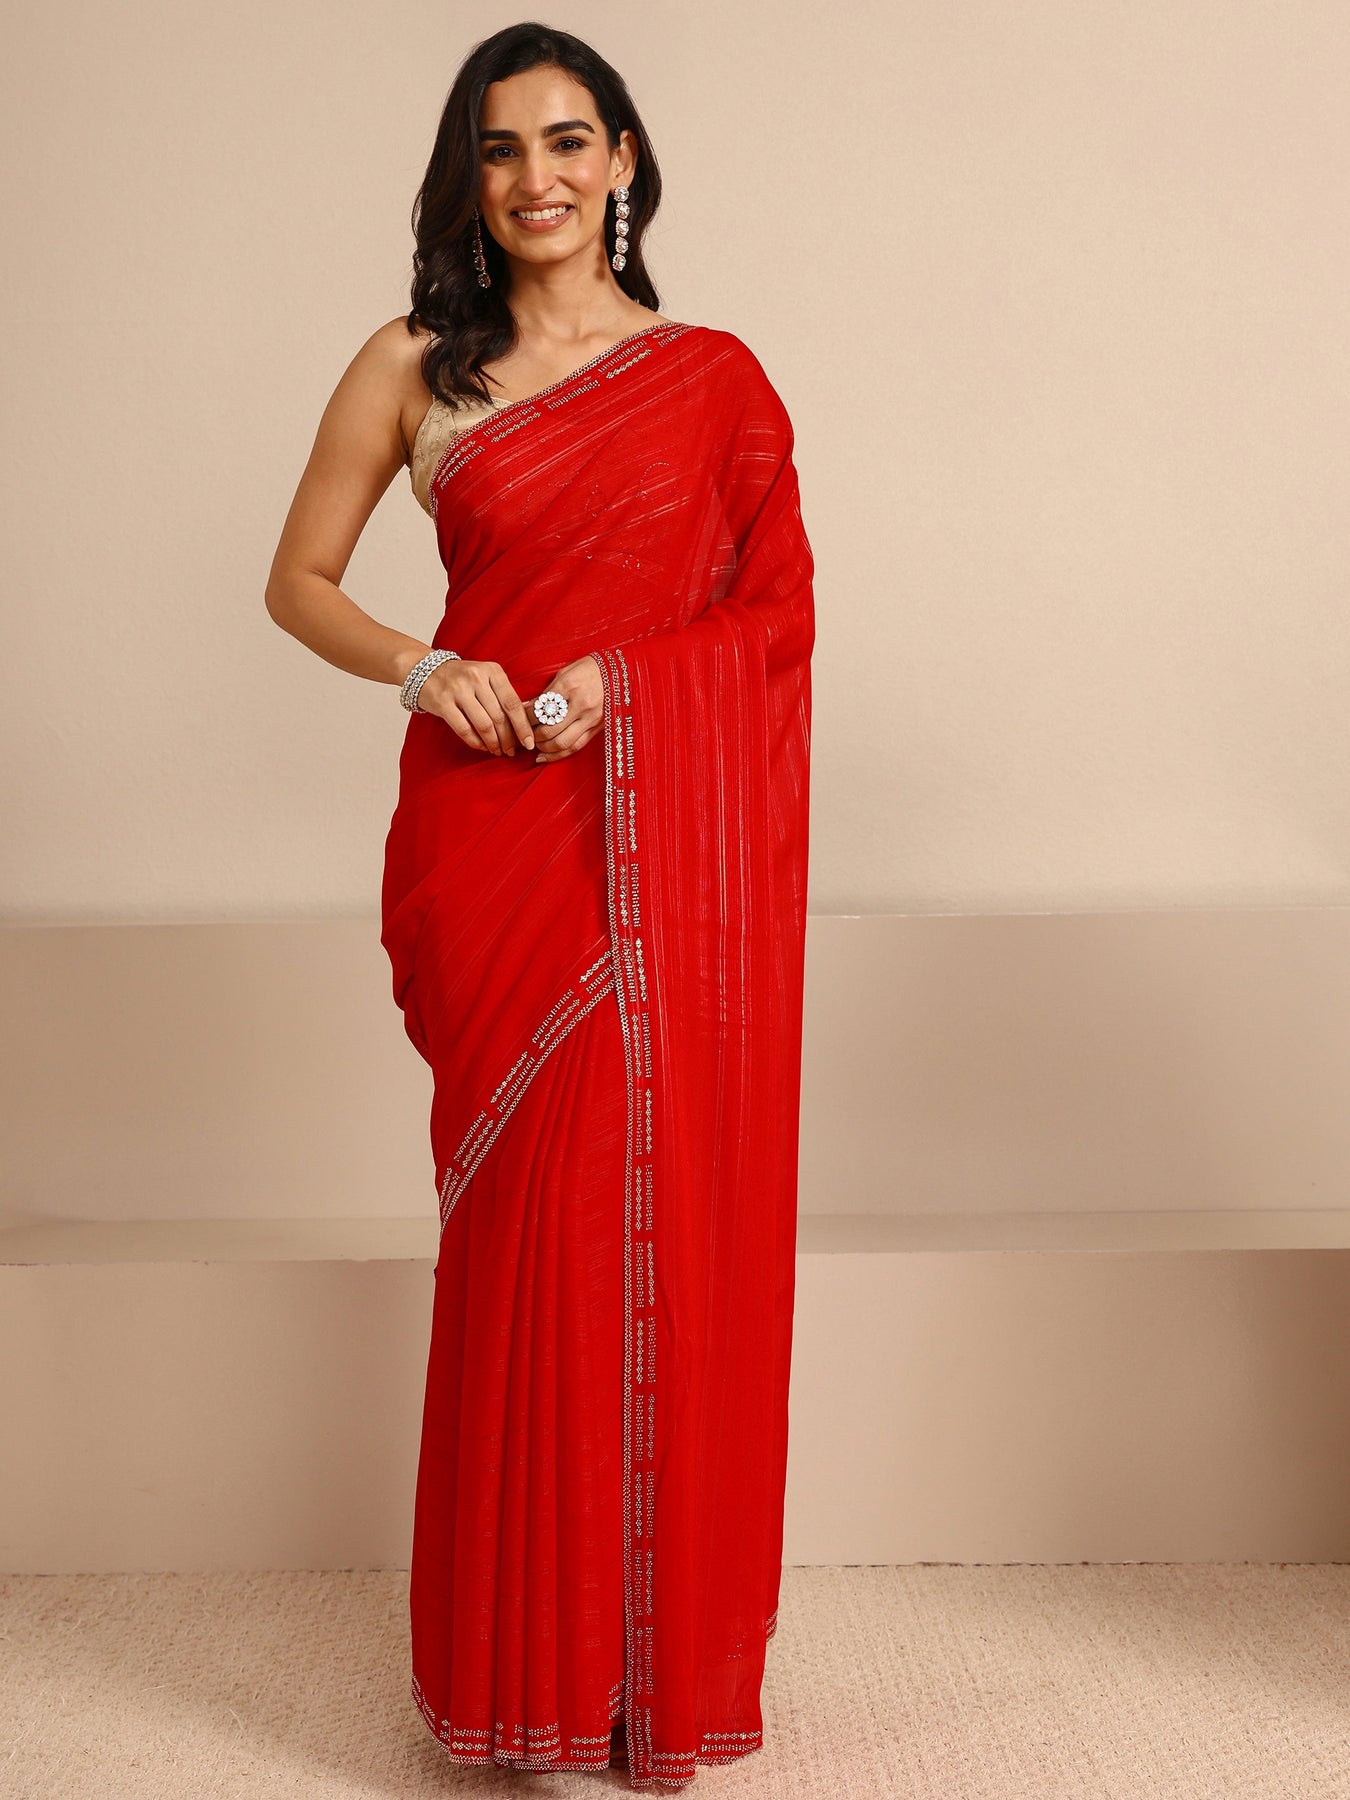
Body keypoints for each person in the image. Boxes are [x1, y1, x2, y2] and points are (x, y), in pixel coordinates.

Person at [264, 21, 814, 1790]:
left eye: (569, 142)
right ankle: (521, 1677)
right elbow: (299, 581)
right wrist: (428, 669)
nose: (538, 179)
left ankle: (638, 1684)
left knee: (644, 1226)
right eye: (500, 151)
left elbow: (772, 623)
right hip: (495, 842)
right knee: (530, 1238)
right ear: (469, 177)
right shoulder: (411, 364)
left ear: (624, 158)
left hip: (655, 840)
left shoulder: (713, 381)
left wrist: (616, 685)